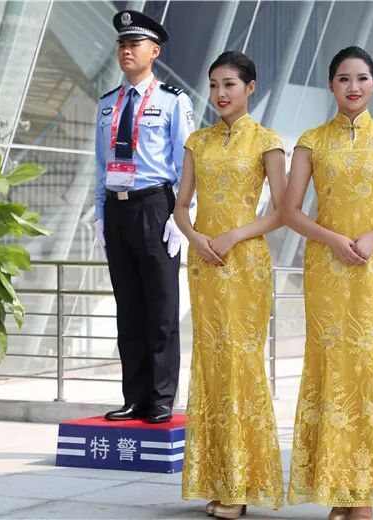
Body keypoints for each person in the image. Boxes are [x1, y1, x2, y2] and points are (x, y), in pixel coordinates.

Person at [282, 46, 373, 520]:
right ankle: (337, 491)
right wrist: (333, 239)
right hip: (326, 269)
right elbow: (290, 212)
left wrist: (372, 238)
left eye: (362, 78)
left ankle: (362, 492)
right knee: (331, 370)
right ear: (331, 86)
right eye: (344, 78)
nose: (353, 86)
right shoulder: (312, 141)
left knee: (366, 370)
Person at [174, 51, 287, 519]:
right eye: (214, 85)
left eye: (230, 85)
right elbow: (180, 206)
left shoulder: (267, 141)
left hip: (245, 265)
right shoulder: (197, 142)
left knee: (241, 364)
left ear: (250, 87)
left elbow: (282, 211)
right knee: (210, 363)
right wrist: (196, 238)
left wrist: (234, 235)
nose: (220, 94)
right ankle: (215, 479)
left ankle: (242, 484)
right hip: (204, 263)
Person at [94, 10, 194, 424]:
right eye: (122, 44)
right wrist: (99, 214)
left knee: (162, 308)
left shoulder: (173, 100)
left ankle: (162, 397)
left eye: (134, 44)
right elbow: (99, 164)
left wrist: (182, 216)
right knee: (129, 310)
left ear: (154, 52)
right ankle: (134, 396)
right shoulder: (107, 104)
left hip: (156, 207)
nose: (126, 51)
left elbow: (188, 163)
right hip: (117, 209)